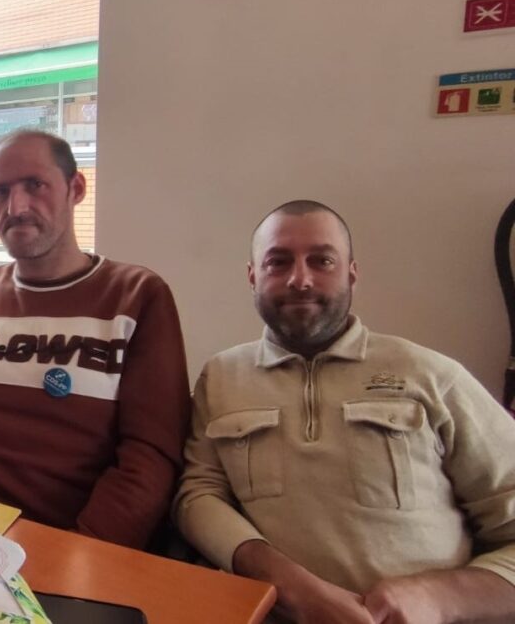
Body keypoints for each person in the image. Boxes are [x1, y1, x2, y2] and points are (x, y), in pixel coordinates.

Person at [175, 200, 515, 624]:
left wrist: (436, 598)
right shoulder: (221, 378)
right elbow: (198, 495)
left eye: (322, 261)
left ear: (352, 273)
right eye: (278, 262)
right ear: (252, 276)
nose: (300, 279)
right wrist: (289, 586)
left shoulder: (431, 375)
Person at [0, 129, 191, 549]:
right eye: (0, 191)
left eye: (34, 185)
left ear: (76, 189)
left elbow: (151, 452)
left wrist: (78, 551)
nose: (15, 208)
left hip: (73, 549)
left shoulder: (138, 296)